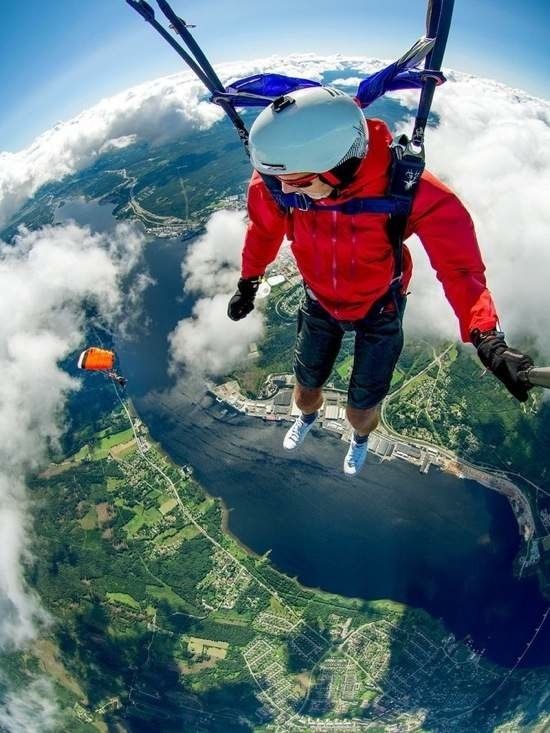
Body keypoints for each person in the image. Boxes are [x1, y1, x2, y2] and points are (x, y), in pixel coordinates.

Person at [227, 86, 533, 476]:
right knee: (304, 393)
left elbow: (461, 269)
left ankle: (360, 437)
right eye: (279, 179)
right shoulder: (277, 178)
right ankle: (306, 416)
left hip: (380, 305)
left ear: (338, 166)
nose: (285, 190)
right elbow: (262, 232)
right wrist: (249, 282)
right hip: (319, 299)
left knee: (360, 411)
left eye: (299, 183)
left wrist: (486, 336)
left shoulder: (407, 188)